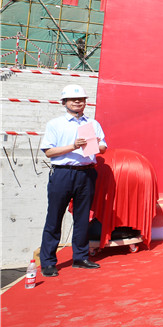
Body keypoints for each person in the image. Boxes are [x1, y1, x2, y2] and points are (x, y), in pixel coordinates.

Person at [39, 84, 107, 277]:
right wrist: (73, 146)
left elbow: (103, 147)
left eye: (81, 99)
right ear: (64, 102)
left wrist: (98, 145)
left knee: (82, 218)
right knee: (54, 217)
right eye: (73, 99)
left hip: (86, 173)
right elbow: (49, 152)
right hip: (63, 173)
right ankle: (48, 262)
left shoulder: (92, 124)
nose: (78, 102)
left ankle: (80, 257)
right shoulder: (55, 124)